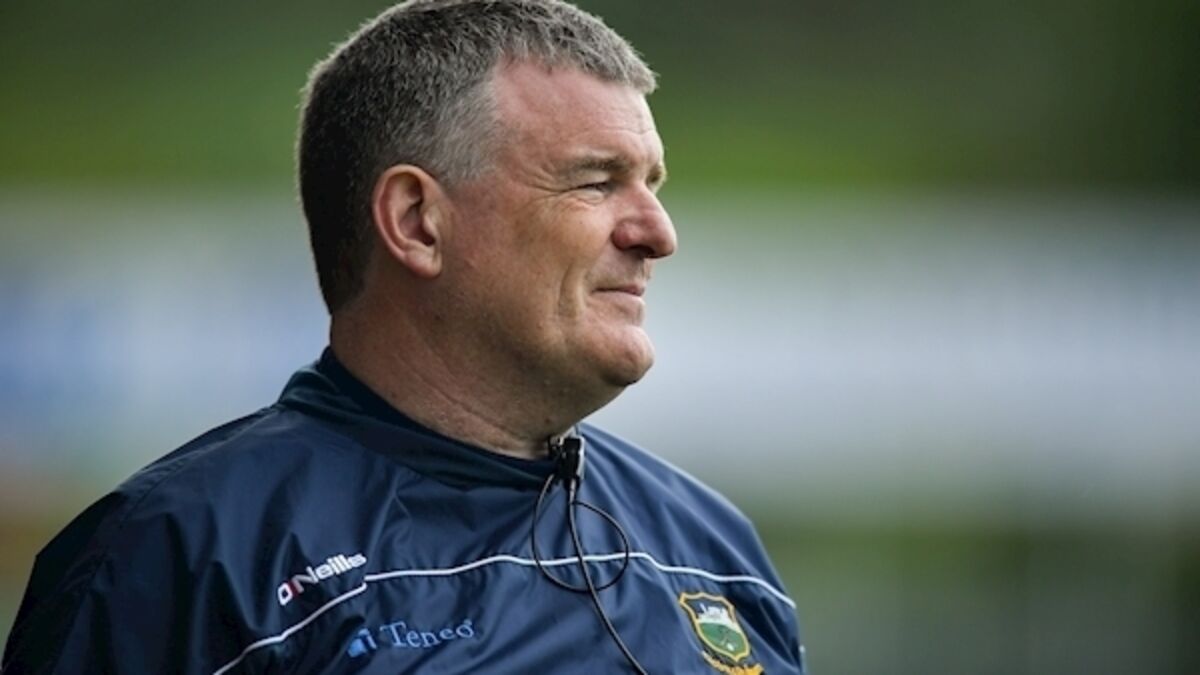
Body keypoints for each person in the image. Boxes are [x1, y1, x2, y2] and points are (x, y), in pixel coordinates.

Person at [2, 1, 806, 673]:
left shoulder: (710, 548)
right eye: (596, 181)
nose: (657, 233)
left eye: (652, 185)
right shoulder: (176, 559)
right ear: (418, 222)